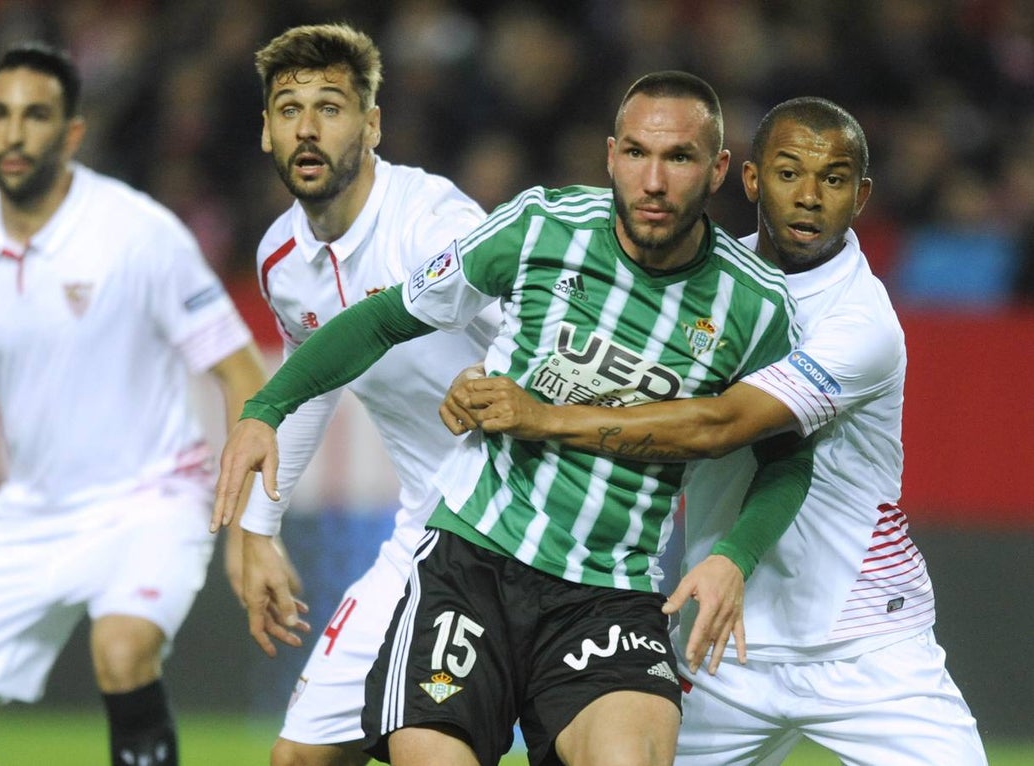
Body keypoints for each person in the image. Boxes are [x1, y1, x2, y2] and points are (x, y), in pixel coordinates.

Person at [213, 71, 813, 766]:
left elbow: (788, 454)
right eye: (637, 154)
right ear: (611, 155)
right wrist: (265, 409)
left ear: (717, 170)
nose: (653, 181)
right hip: (473, 561)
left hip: (610, 590)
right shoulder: (541, 228)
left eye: (678, 158)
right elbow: (385, 317)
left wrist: (734, 558)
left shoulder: (756, 306)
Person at [441, 97, 988, 764]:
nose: (809, 196)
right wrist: (495, 379)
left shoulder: (862, 324)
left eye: (834, 179)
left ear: (861, 196)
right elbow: (592, 353)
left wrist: (539, 415)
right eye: (789, 173)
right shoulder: (709, 281)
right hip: (722, 638)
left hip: (863, 639)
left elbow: (720, 425)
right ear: (752, 180)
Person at [0, 42, 268, 766]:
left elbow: (243, 372)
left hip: (151, 495)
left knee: (122, 652)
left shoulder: (139, 233)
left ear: (71, 134)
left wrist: (252, 522)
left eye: (36, 116)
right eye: (0, 114)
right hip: (31, 512)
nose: (15, 133)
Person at [219, 23, 497, 766]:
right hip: (424, 531)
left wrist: (495, 373)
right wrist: (260, 527)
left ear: (372, 125)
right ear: (266, 132)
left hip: (520, 529)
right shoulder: (282, 259)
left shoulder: (432, 222)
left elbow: (537, 320)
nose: (308, 129)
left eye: (331, 108)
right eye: (289, 110)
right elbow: (311, 384)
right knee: (299, 757)